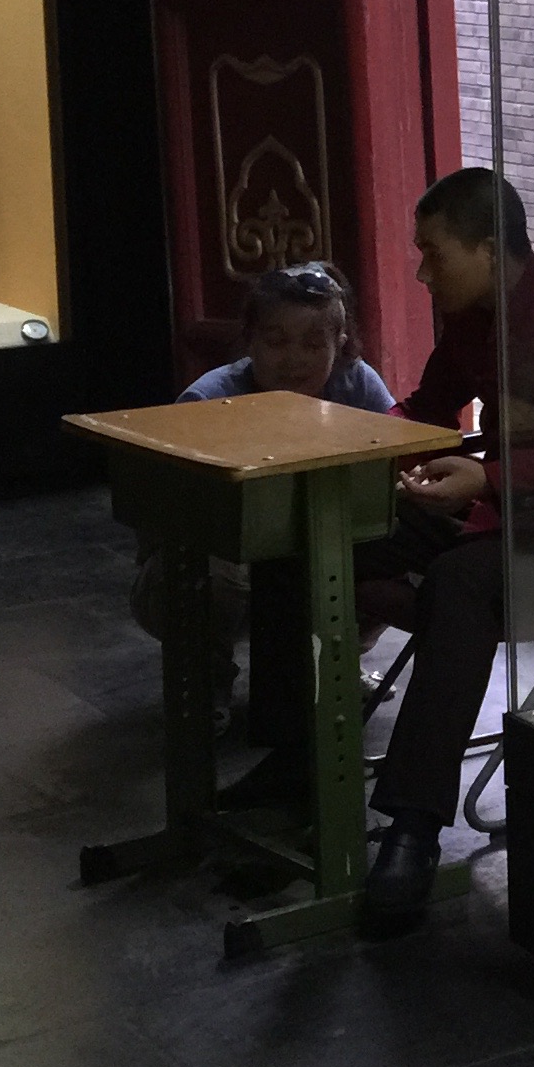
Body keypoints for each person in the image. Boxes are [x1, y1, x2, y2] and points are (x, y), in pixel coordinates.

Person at [354, 167, 534, 936]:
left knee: (456, 583)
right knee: (334, 538)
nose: (423, 273)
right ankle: (294, 757)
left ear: (487, 248)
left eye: (434, 254)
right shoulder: (474, 315)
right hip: (496, 510)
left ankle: (413, 828)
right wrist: (357, 445)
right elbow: (428, 408)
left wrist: (487, 477)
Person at [128, 263, 394, 743]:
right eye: (276, 341)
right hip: (211, 564)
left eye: (313, 344)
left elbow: (394, 465)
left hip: (317, 551)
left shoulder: (357, 385)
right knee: (219, 572)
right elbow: (168, 518)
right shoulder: (208, 401)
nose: (294, 359)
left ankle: (336, 664)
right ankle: (205, 680)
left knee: (400, 548)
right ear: (250, 340)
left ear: (340, 344)